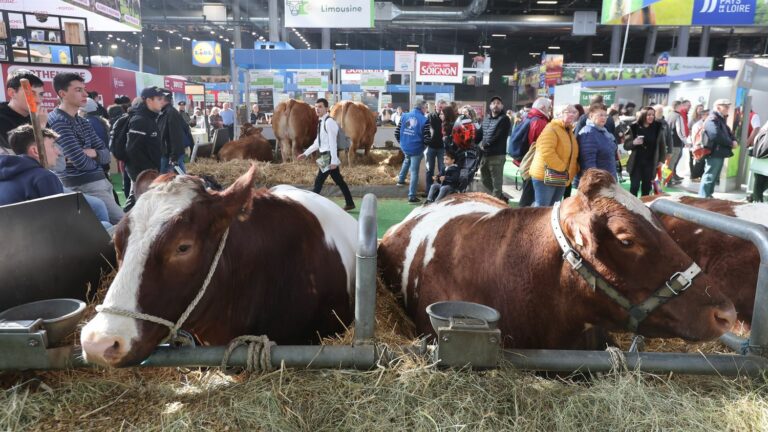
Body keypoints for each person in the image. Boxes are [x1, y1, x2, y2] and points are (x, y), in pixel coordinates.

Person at [0, 125, 112, 229]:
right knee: (107, 226)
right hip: (45, 242)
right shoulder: (44, 177)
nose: (58, 152)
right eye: (53, 145)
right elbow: (59, 224)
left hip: (14, 242)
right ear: (35, 151)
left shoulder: (5, 176)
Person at [47, 72, 123, 225]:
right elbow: (81, 162)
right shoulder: (58, 121)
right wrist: (95, 158)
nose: (85, 94)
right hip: (83, 185)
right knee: (125, 225)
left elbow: (107, 155)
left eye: (84, 89)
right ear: (63, 93)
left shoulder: (83, 122)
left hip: (99, 181)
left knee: (117, 228)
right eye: (78, 90)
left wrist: (93, 153)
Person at [297, 98, 355, 211]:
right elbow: (317, 142)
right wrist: (305, 153)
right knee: (339, 180)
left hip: (328, 156)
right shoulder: (321, 122)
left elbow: (333, 143)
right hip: (326, 155)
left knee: (318, 181)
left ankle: (310, 207)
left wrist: (334, 160)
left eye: (320, 107)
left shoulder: (329, 122)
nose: (317, 109)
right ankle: (350, 203)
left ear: (326, 108)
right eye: (316, 107)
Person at [123, 86, 165, 210]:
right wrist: (143, 175)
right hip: (142, 172)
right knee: (136, 204)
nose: (162, 101)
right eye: (158, 99)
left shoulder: (150, 118)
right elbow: (133, 150)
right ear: (148, 101)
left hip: (149, 171)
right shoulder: (140, 120)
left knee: (141, 203)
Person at [529, 105, 579, 207]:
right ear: (559, 114)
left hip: (559, 175)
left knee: (553, 209)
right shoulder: (551, 128)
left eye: (574, 112)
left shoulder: (567, 130)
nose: (572, 114)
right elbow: (546, 151)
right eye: (568, 112)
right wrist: (563, 167)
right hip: (545, 175)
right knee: (542, 209)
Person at [515, 97, 551, 207]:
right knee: (528, 195)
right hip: (533, 162)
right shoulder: (540, 122)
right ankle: (521, 221)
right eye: (549, 107)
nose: (550, 110)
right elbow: (539, 144)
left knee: (528, 193)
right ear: (543, 107)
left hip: (526, 160)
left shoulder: (529, 118)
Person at [699, 99, 738, 198]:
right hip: (714, 152)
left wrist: (733, 140)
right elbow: (715, 135)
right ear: (718, 107)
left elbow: (728, 132)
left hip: (718, 152)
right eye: (726, 106)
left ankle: (708, 196)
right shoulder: (713, 119)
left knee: (713, 176)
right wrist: (730, 142)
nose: (728, 109)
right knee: (710, 175)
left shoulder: (719, 119)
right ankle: (703, 198)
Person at [625, 106, 667, 196]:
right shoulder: (634, 127)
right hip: (636, 163)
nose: (651, 116)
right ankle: (633, 208)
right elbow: (626, 146)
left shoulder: (658, 127)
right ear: (643, 115)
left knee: (646, 188)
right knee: (634, 187)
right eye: (648, 115)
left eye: (653, 115)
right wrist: (634, 142)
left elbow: (662, 145)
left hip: (651, 163)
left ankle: (645, 207)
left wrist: (661, 160)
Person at [0, 70, 46, 153]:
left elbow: (57, 151)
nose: (38, 100)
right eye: (31, 94)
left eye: (41, 94)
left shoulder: (39, 116)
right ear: (12, 93)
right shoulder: (2, 118)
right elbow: (22, 156)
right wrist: (40, 127)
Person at [394, 101, 428, 204]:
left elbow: (396, 132)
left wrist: (402, 143)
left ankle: (401, 180)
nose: (426, 109)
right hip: (416, 148)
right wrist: (424, 147)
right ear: (422, 108)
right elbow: (426, 138)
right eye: (426, 107)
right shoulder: (424, 120)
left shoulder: (404, 116)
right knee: (414, 172)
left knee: (407, 159)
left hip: (405, 146)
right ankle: (412, 196)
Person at [479, 96, 511, 202]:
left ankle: (496, 205)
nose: (496, 104)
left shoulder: (505, 119)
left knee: (497, 183)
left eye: (498, 103)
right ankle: (500, 198)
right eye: (493, 103)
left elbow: (499, 135)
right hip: (484, 155)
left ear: (502, 106)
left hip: (497, 155)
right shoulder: (486, 119)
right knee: (484, 180)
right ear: (490, 106)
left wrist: (486, 144)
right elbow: (480, 133)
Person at [576, 103, 618, 184]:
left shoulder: (603, 131)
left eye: (605, 115)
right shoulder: (588, 133)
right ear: (591, 116)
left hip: (608, 180)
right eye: (600, 115)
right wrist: (595, 183)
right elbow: (588, 163)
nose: (604, 118)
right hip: (598, 183)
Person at [158, 90, 193, 174]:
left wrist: (174, 156)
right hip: (170, 152)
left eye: (158, 98)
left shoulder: (170, 113)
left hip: (170, 153)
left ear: (163, 99)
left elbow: (175, 136)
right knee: (180, 177)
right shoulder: (166, 112)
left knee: (166, 180)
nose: (157, 101)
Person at [423, 99, 447, 192]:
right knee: (429, 170)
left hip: (442, 147)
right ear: (436, 106)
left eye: (443, 108)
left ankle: (442, 190)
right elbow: (425, 129)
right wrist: (426, 142)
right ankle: (429, 191)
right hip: (431, 147)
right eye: (440, 107)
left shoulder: (447, 117)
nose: (441, 110)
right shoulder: (430, 116)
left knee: (442, 169)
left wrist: (444, 120)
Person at [666, 100, 688, 185]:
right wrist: (686, 141)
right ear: (679, 106)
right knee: (671, 163)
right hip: (675, 143)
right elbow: (680, 131)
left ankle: (666, 179)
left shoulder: (669, 115)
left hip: (668, 142)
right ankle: (668, 180)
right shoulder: (678, 116)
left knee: (668, 163)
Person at [747, 119, 768, 202]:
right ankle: (757, 201)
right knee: (760, 181)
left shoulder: (764, 129)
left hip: (760, 158)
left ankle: (755, 198)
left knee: (759, 182)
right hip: (762, 158)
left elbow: (757, 139)